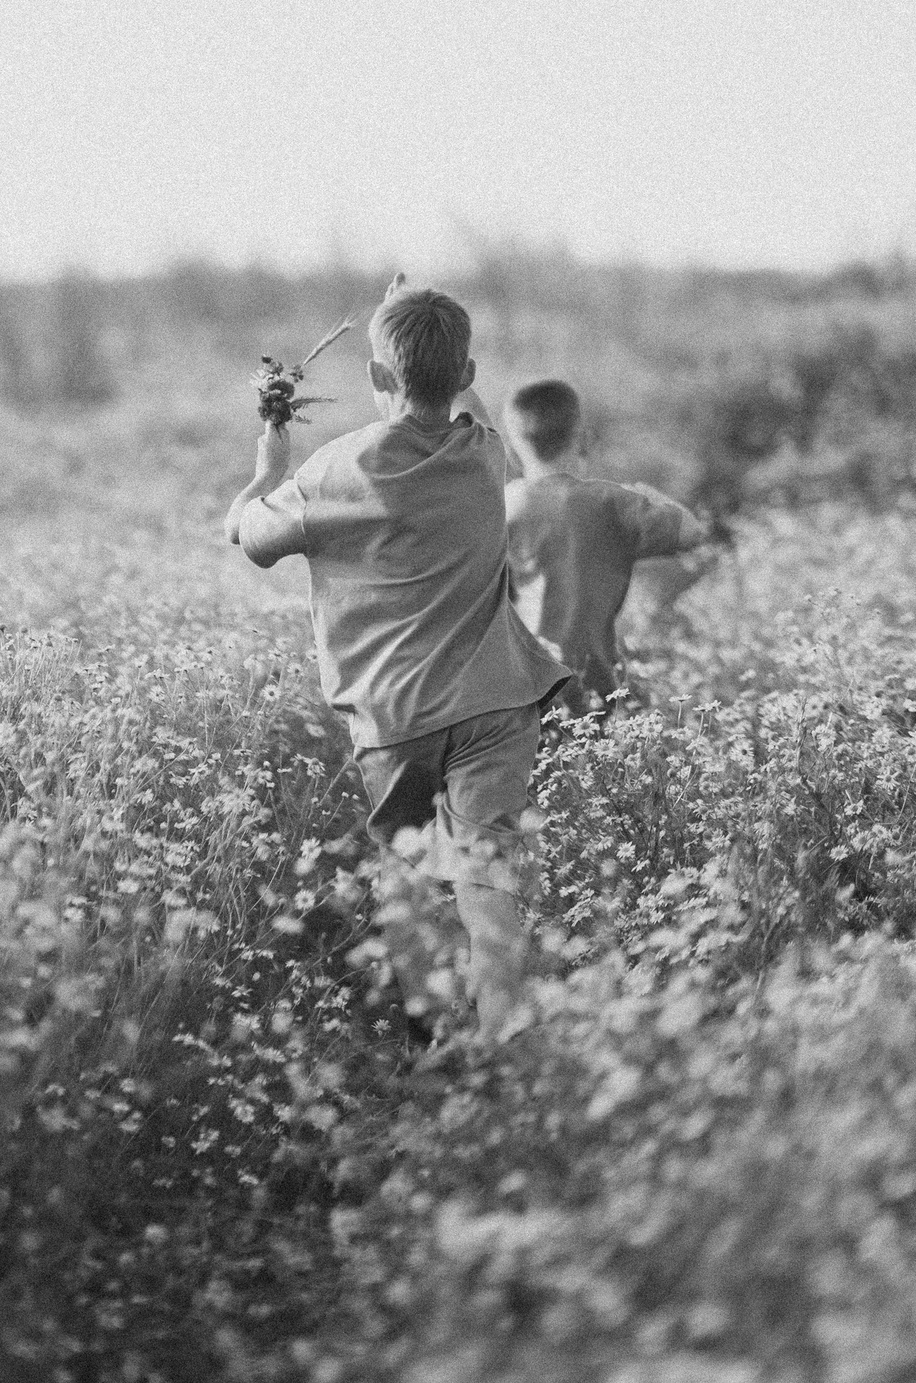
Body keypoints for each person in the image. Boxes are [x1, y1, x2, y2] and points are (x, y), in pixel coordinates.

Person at [226, 279, 569, 1034]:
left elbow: (248, 536)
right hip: (496, 704)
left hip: (396, 718)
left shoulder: (332, 471)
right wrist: (426, 325)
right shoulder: (486, 454)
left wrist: (266, 470)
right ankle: (504, 1027)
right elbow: (466, 403)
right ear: (470, 376)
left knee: (407, 872)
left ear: (378, 378)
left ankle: (431, 1037)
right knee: (489, 871)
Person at [502, 379, 714, 712]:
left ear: (513, 449)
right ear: (581, 439)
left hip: (521, 682)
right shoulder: (608, 502)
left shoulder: (506, 505)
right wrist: (649, 494)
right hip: (594, 680)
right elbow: (692, 532)